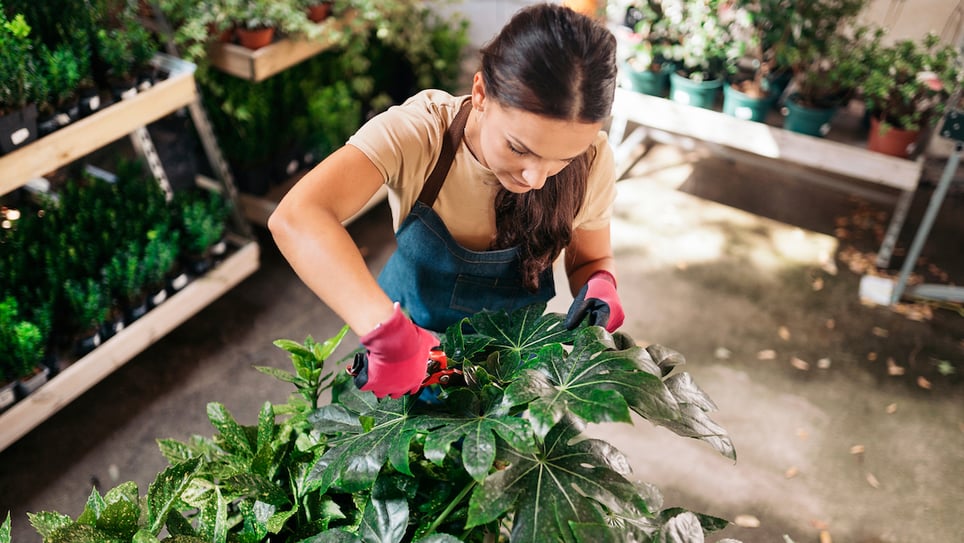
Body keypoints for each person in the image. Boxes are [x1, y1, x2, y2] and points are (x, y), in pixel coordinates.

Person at [268, 2, 625, 399]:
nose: (536, 177)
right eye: (518, 148)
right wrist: (387, 334)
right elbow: (298, 217)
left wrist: (599, 284)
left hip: (506, 375)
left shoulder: (593, 158)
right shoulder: (420, 133)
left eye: (564, 158)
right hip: (404, 361)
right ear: (481, 93)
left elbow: (591, 259)